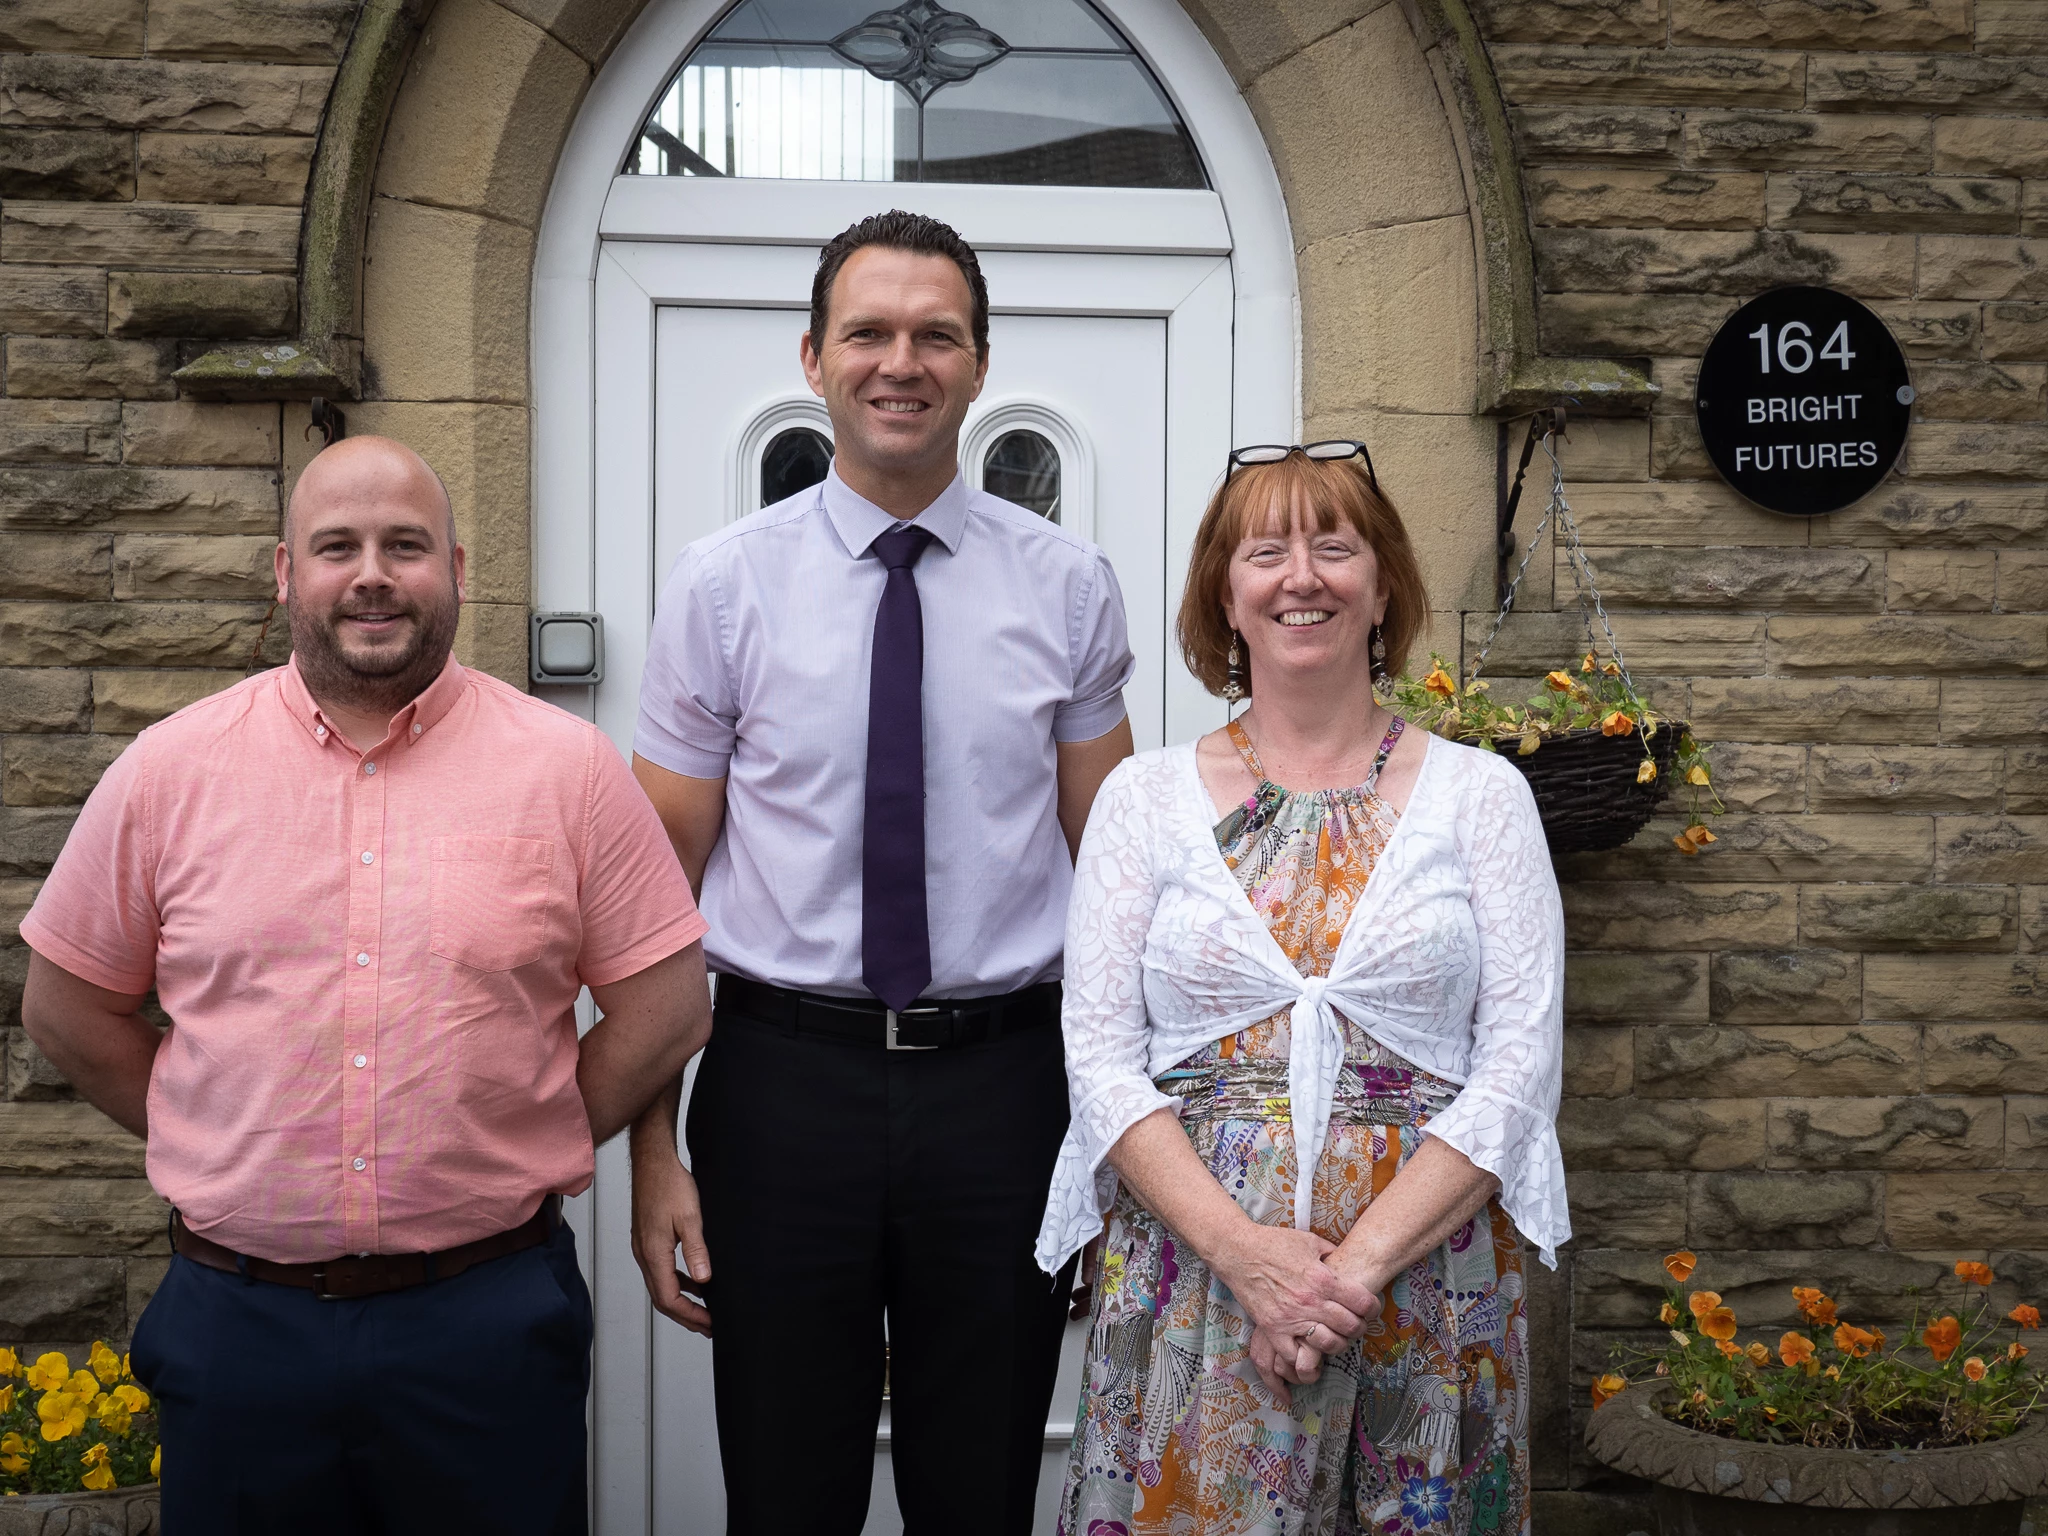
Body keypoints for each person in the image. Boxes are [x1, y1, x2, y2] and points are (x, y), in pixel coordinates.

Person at [19, 436, 711, 1534]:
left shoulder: (567, 770)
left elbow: (666, 1004)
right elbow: (67, 1008)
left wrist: (526, 1128)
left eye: (406, 545)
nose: (372, 573)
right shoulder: (169, 771)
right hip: (240, 1324)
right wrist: (215, 1128)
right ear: (285, 572)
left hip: (484, 1324)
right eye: (337, 546)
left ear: (459, 569)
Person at [626, 209, 1136, 1534]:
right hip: (783, 1091)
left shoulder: (1071, 590)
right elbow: (646, 907)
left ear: (977, 365)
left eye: (934, 335)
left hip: (1008, 1097)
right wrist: (653, 1150)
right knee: (787, 1497)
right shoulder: (724, 590)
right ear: (814, 356)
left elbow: (1122, 883)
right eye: (868, 331)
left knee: (980, 1499)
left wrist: (1110, 1145)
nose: (899, 361)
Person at [1037, 444, 1569, 1534]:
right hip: (1197, 1282)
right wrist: (1249, 1260)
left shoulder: (1483, 798)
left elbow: (1517, 1063)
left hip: (1427, 1284)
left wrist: (1344, 1276)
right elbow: (1097, 1056)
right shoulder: (1141, 801)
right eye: (1264, 551)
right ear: (1224, 596)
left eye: (1336, 547)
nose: (1301, 576)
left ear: (1381, 587)